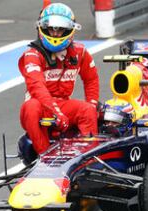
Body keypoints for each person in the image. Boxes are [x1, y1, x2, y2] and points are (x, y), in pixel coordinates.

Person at [19, 2, 99, 155]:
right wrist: (56, 112)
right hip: (40, 108)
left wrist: (93, 104)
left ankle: (88, 158)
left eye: (60, 29)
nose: (55, 34)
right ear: (42, 28)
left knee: (88, 110)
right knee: (31, 107)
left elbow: (91, 80)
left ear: (70, 30)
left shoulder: (80, 52)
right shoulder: (32, 55)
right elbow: (37, 87)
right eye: (51, 29)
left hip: (63, 106)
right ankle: (45, 157)